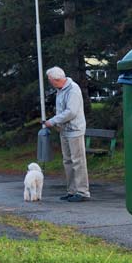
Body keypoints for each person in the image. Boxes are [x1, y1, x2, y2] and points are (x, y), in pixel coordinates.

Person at [43, 66, 90, 201]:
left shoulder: (73, 90)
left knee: (78, 161)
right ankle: (72, 190)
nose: (50, 82)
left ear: (56, 79)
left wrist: (52, 121)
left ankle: (82, 192)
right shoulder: (60, 90)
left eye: (50, 80)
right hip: (64, 130)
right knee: (67, 161)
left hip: (75, 130)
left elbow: (71, 112)